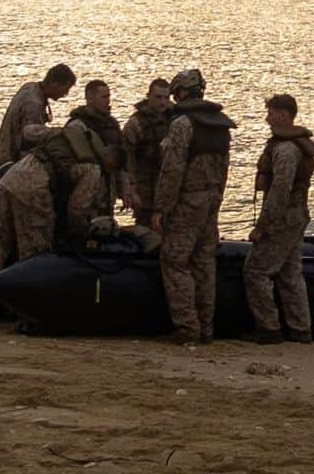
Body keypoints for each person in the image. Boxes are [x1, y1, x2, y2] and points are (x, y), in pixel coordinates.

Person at [0, 120, 106, 326]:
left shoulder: (62, 138)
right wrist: (79, 234)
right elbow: (77, 210)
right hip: (34, 190)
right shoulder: (94, 169)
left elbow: (28, 131)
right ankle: (28, 314)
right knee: (34, 257)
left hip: (10, 179)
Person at [151, 69, 236, 344]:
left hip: (187, 202)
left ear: (181, 93)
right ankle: (206, 328)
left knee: (174, 260)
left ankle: (187, 328)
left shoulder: (182, 125)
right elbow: (224, 169)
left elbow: (172, 171)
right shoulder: (221, 126)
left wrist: (161, 209)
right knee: (204, 263)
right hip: (212, 201)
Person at [242, 93, 314, 344]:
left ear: (285, 115)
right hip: (296, 217)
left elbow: (279, 192)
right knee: (289, 273)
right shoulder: (292, 146)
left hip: (283, 219)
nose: (267, 118)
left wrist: (261, 227)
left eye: (271, 113)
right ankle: (300, 328)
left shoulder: (286, 150)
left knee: (256, 270)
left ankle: (269, 328)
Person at [0, 63, 76, 176]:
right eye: (65, 89)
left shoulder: (30, 87)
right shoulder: (33, 104)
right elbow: (31, 136)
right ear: (53, 84)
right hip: (12, 164)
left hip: (3, 156)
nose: (65, 94)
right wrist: (61, 133)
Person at [65, 80, 134, 219]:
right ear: (89, 98)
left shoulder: (112, 124)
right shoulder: (77, 126)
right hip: (86, 194)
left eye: (108, 96)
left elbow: (121, 159)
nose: (107, 101)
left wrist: (126, 189)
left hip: (108, 192)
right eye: (103, 97)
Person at [121, 78, 173, 226]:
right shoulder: (136, 123)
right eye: (158, 97)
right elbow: (126, 158)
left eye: (166, 97)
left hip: (169, 189)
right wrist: (131, 189)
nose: (163, 102)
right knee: (145, 229)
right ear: (148, 96)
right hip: (145, 190)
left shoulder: (175, 119)